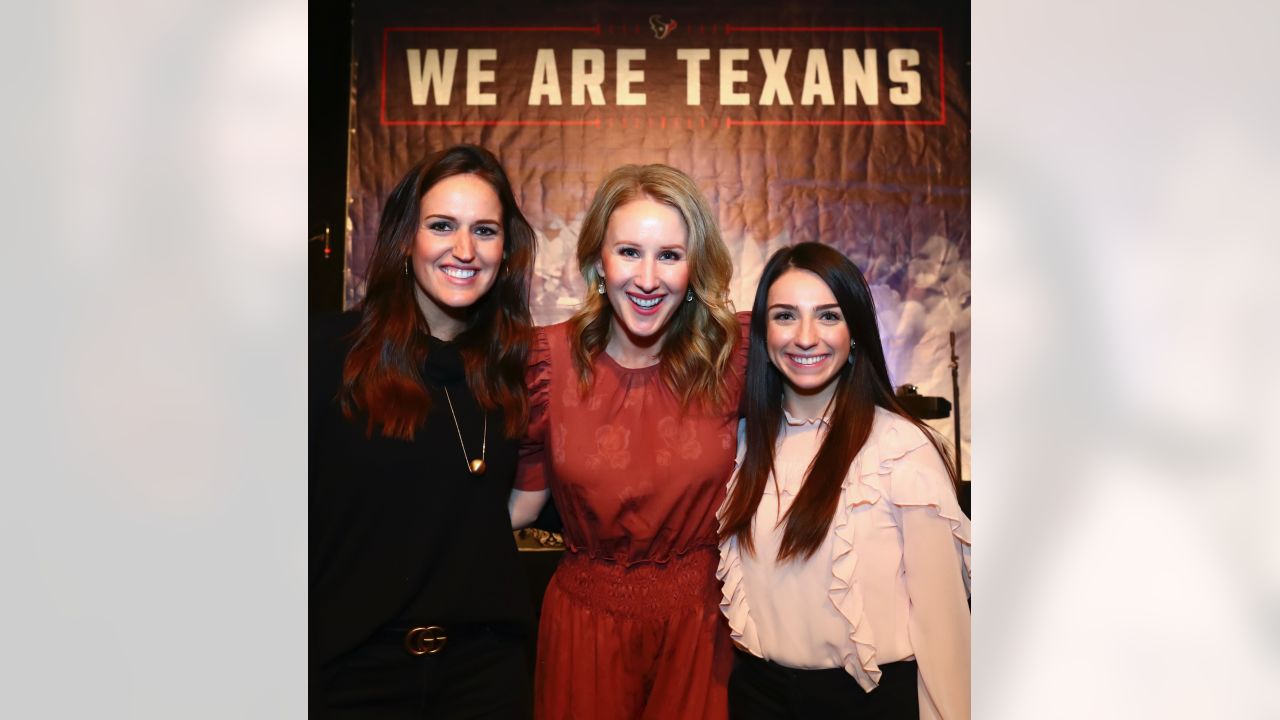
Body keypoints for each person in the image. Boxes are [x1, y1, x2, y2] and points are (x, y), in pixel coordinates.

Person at [508, 164, 748, 720]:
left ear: (695, 269)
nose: (647, 278)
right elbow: (519, 504)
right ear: (597, 261)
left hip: (702, 628)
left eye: (669, 255)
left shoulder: (732, 358)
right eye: (628, 253)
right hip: (583, 630)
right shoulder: (547, 364)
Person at [310, 144, 538, 718]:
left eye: (485, 230)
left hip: (486, 681)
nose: (465, 250)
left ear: (505, 249)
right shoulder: (322, 355)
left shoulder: (516, 372)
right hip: (352, 678)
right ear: (405, 237)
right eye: (442, 226)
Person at [717, 242, 971, 720]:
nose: (806, 337)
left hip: (867, 705)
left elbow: (945, 632)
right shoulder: (744, 444)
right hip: (758, 699)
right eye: (786, 316)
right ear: (764, 334)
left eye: (829, 316)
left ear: (854, 333)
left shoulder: (901, 449)